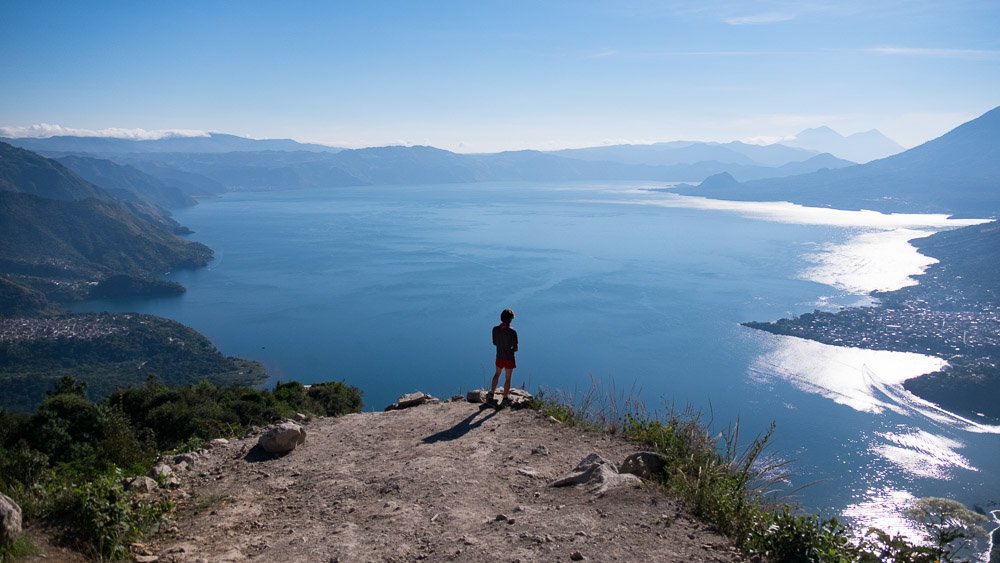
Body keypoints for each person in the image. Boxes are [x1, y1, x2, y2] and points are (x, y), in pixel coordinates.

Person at [490, 308, 518, 406]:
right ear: (510, 319)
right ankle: (505, 398)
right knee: (508, 378)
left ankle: (491, 394)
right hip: (509, 358)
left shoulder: (495, 329)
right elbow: (515, 348)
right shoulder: (512, 332)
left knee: (497, 374)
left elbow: (494, 342)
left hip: (499, 356)